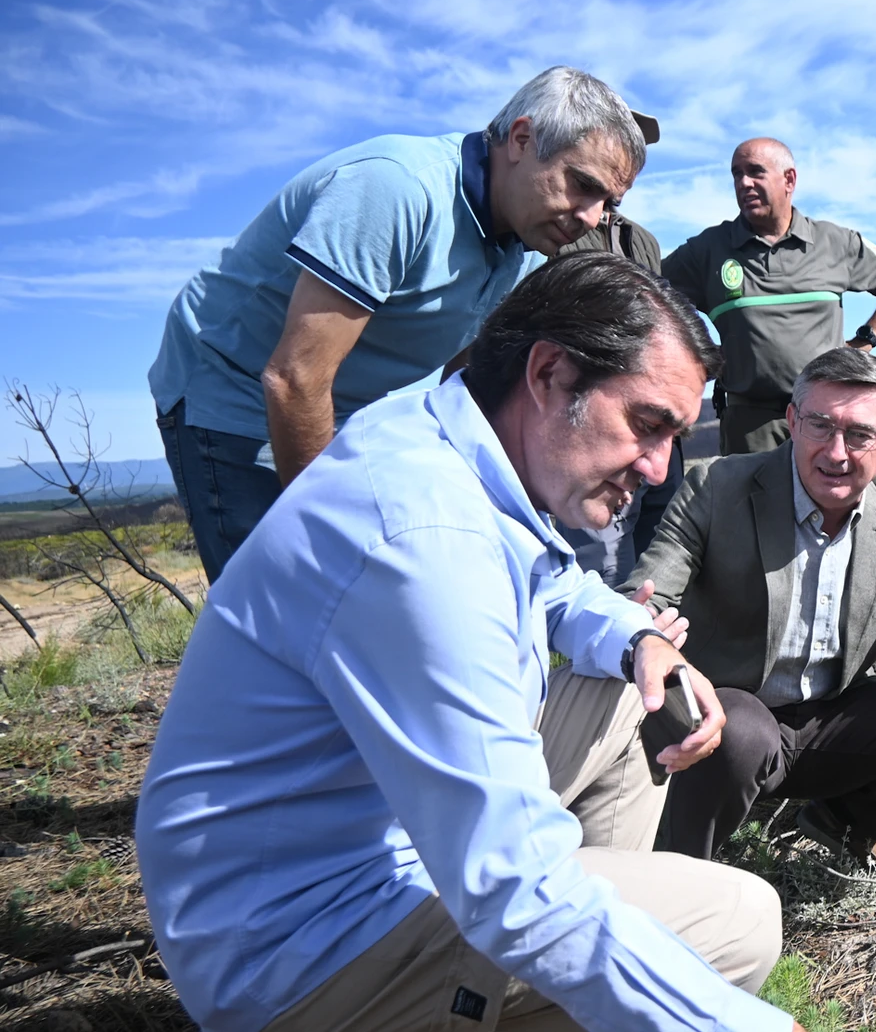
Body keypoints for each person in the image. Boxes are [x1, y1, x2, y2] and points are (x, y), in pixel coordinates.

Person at [136, 254, 799, 1032]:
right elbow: (512, 886)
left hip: (350, 851)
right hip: (299, 944)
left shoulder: (448, 439)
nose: (658, 469)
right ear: (550, 373)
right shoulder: (425, 537)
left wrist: (638, 640)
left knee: (631, 690)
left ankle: (583, 978)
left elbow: (557, 585)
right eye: (647, 424)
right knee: (740, 921)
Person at [148, 66, 659, 583]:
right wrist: (335, 542)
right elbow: (295, 378)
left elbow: (467, 388)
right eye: (583, 185)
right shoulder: (395, 190)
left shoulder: (526, 246)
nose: (593, 218)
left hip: (338, 406)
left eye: (608, 203)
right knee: (286, 594)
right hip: (233, 394)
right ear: (521, 139)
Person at [632, 347, 876, 871]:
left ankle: (845, 824)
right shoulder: (717, 488)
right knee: (743, 735)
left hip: (832, 713)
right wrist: (648, 637)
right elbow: (646, 595)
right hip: (731, 708)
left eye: (860, 434)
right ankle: (680, 871)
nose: (836, 451)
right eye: (820, 425)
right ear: (792, 422)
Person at [663, 138, 876, 454]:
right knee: (753, 503)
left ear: (789, 180)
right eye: (737, 174)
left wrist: (867, 339)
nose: (744, 183)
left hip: (826, 418)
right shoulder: (708, 250)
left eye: (755, 172)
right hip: (750, 426)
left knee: (829, 503)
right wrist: (698, 354)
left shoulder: (834, 242)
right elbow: (648, 294)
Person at [557, 193, 685, 582]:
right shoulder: (560, 230)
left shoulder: (642, 240)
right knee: (602, 563)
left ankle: (646, 632)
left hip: (658, 429)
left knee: (660, 548)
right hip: (596, 429)